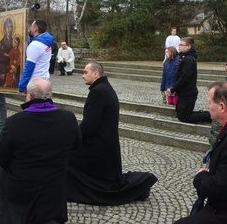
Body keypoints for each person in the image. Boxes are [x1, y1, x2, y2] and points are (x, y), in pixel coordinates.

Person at [0, 77, 81, 223]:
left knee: (2, 173)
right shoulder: (68, 119)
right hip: (54, 183)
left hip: (22, 185)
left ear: (29, 96)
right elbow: (77, 145)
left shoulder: (15, 122)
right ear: (50, 95)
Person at [67, 62, 158, 205]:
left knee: (65, 155)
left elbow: (89, 127)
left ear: (96, 74)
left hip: (98, 149)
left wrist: (71, 140)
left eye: (85, 72)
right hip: (105, 146)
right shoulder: (104, 88)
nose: (82, 75)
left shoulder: (98, 92)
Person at [174, 81, 227, 224]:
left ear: (222, 107)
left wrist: (200, 177)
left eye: (209, 102)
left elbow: (223, 187)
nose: (207, 107)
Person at [167, 37, 211, 123]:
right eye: (179, 44)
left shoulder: (189, 59)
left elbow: (185, 77)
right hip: (183, 92)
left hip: (188, 93)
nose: (179, 46)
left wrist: (173, 89)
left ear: (188, 46)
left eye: (181, 45)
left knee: (184, 117)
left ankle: (211, 116)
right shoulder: (184, 57)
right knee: (181, 114)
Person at [17, 20, 54, 95]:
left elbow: (29, 68)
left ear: (35, 29)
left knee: (33, 106)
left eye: (31, 26)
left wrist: (21, 87)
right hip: (44, 79)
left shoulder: (35, 45)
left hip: (35, 83)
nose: (30, 29)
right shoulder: (46, 41)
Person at [0, 17, 14, 87]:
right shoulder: (1, 43)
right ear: (4, 29)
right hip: (4, 69)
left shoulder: (14, 41)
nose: (9, 29)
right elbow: (0, 56)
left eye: (10, 27)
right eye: (7, 27)